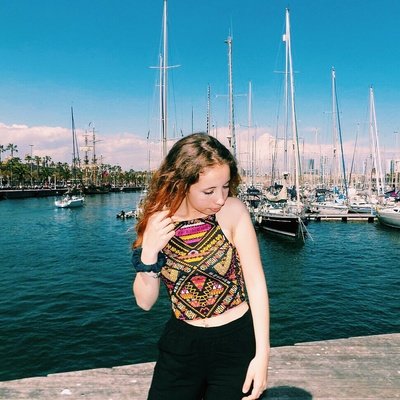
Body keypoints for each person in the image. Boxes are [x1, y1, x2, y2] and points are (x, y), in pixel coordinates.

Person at [132, 133, 270, 400]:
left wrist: (262, 355)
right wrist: (149, 251)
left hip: (236, 344)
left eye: (225, 186)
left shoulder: (233, 211)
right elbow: (144, 302)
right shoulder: (159, 221)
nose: (220, 199)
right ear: (182, 184)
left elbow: (256, 284)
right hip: (181, 347)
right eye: (209, 191)